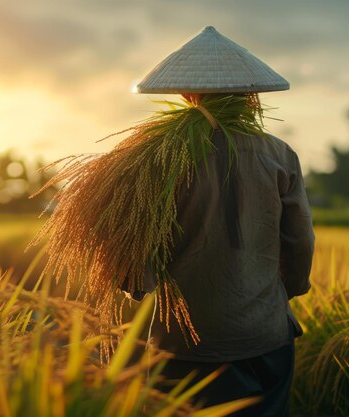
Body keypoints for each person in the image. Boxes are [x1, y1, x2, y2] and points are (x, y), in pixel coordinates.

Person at [134, 27, 315, 416]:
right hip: (266, 335)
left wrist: (137, 286)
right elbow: (300, 242)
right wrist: (290, 290)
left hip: (185, 342)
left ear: (188, 95)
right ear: (251, 98)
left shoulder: (156, 159)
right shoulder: (280, 155)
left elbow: (133, 251)